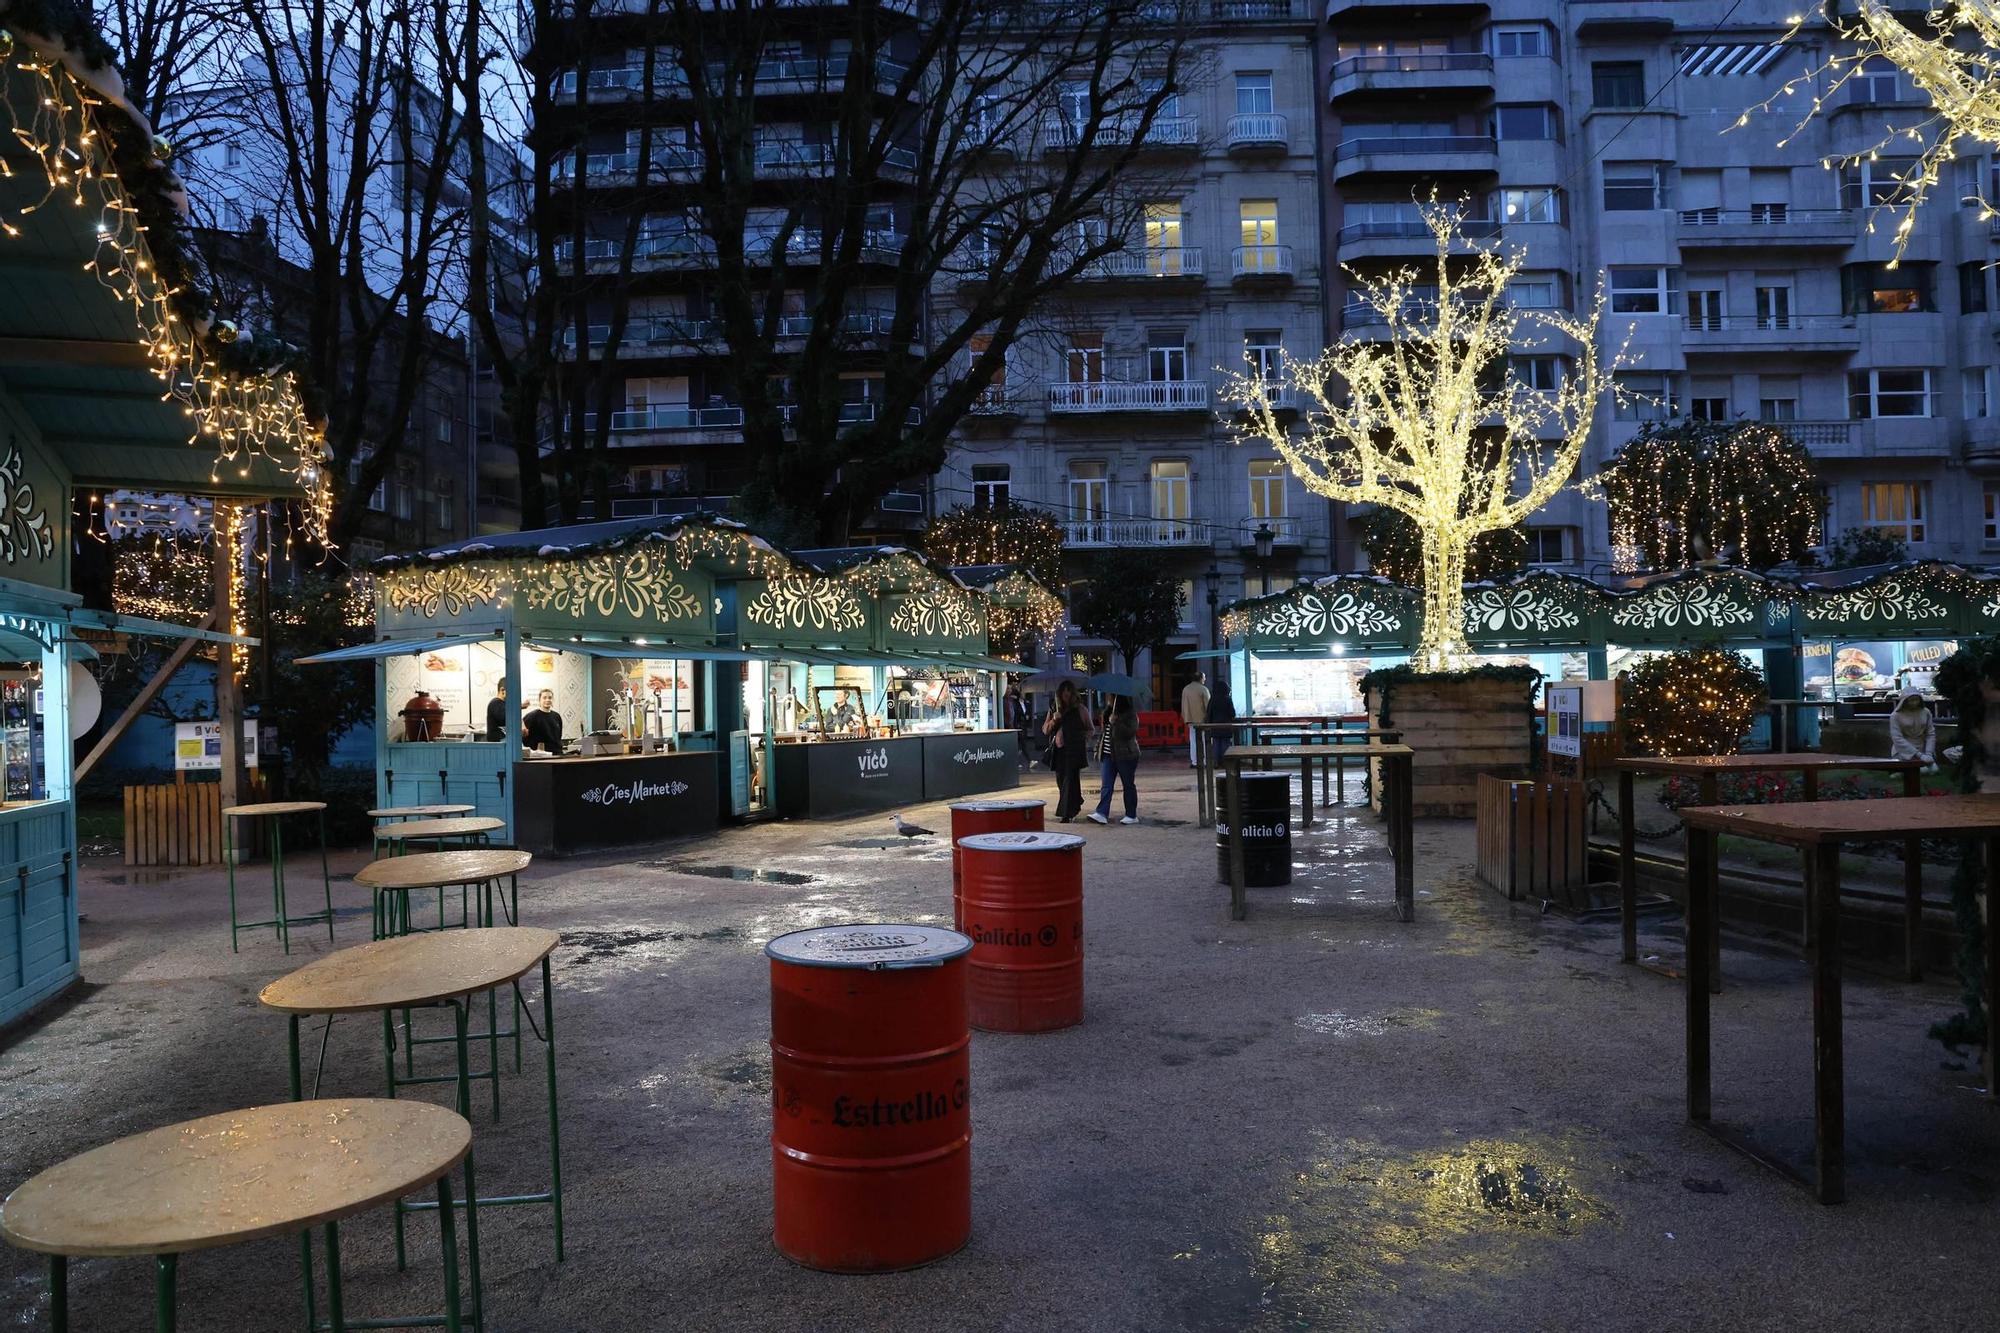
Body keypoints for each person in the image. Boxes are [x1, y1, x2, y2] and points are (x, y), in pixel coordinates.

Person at [1088, 694, 1141, 825]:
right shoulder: (1107, 712)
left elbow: (1129, 733)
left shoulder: (1130, 714)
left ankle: (1131, 814)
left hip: (1125, 755)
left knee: (1128, 785)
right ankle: (1102, 812)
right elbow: (1105, 733)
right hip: (1108, 754)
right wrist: (1098, 749)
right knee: (1106, 785)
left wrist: (1117, 722)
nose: (1108, 700)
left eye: (1110, 697)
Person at [1042, 679, 1089, 821]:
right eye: (1064, 691)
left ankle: (1066, 814)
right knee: (1061, 781)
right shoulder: (1054, 708)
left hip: (1074, 750)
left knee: (1070, 780)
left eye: (1069, 691)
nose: (1066, 694)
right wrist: (1054, 720)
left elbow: (1090, 729)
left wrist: (1081, 738)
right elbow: (1045, 730)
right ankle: (1075, 802)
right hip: (1059, 751)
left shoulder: (1080, 709)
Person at [1888, 686, 1938, 769]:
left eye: (1916, 700)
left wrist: (1928, 753)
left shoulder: (1926, 712)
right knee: (1919, 770)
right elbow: (1897, 738)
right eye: (1911, 700)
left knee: (1933, 770)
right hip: (1904, 750)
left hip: (1923, 747)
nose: (1914, 703)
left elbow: (1930, 733)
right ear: (1905, 700)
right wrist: (1918, 755)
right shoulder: (1895, 716)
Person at [1205, 674, 1237, 769]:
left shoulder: (1212, 699)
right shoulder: (1227, 699)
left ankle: (1216, 762)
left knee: (1216, 744)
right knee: (1225, 743)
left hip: (1215, 725)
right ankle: (1225, 762)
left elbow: (1209, 712)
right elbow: (1232, 713)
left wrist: (1209, 723)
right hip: (1226, 725)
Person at [1180, 671, 1210, 769]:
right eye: (1204, 677)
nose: (1205, 679)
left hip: (1190, 719)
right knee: (1204, 740)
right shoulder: (1203, 689)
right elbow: (1208, 706)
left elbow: (1183, 705)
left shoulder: (1186, 689)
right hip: (1202, 719)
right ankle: (1204, 760)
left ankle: (1194, 761)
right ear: (1201, 678)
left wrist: (1185, 717)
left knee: (1193, 741)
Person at [523, 687, 564, 754]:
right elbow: (524, 736)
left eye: (550, 698)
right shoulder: (532, 716)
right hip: (540, 756)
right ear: (539, 700)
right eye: (544, 698)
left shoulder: (557, 716)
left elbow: (559, 736)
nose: (547, 700)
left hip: (557, 754)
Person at [1004, 682, 1032, 771]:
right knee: (1018, 745)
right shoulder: (1010, 701)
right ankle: (1024, 760)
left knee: (1021, 745)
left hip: (1019, 726)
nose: (1009, 691)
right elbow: (1011, 714)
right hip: (1013, 725)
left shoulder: (1013, 701)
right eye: (1008, 689)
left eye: (1010, 689)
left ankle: (1023, 760)